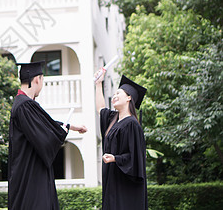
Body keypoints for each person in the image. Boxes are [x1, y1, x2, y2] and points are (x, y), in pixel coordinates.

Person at [8, 61, 88, 210]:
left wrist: (70, 127)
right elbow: (45, 136)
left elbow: (45, 124)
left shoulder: (24, 104)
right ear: (37, 79)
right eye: (43, 80)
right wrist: (61, 133)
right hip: (30, 175)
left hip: (30, 172)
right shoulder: (25, 105)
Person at [95, 69, 148, 210]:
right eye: (113, 94)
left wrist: (115, 158)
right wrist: (98, 84)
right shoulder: (114, 120)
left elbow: (136, 159)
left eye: (118, 93)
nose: (114, 96)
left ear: (129, 98)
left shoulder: (132, 125)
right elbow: (100, 109)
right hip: (112, 182)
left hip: (126, 186)